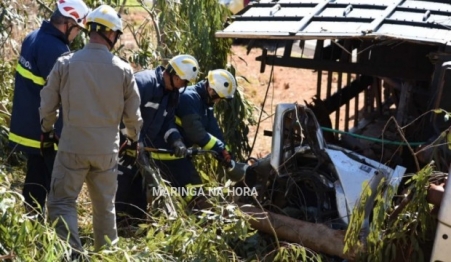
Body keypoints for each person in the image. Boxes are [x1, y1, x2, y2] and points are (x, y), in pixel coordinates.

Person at [39, 4, 142, 255]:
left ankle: (73, 255)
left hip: (72, 148)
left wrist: (47, 131)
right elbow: (133, 117)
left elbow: (48, 103)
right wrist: (132, 140)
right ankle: (107, 256)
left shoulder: (66, 63)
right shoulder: (124, 70)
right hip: (107, 152)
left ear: (90, 30)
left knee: (62, 202)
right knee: (105, 207)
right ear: (111, 34)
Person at [8, 0, 90, 216]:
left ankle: (31, 222)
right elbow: (64, 97)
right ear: (68, 23)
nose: (77, 36)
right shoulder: (55, 50)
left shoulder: (34, 37)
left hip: (27, 124)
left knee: (36, 176)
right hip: (44, 131)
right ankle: (46, 229)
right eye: (78, 30)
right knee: (49, 183)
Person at [115, 54, 199, 225]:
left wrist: (176, 140)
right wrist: (132, 140)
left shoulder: (172, 94)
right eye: (184, 81)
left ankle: (132, 230)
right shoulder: (144, 83)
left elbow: (167, 122)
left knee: (138, 195)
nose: (185, 86)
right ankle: (111, 232)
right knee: (119, 191)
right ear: (176, 76)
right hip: (121, 148)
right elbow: (120, 114)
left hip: (140, 152)